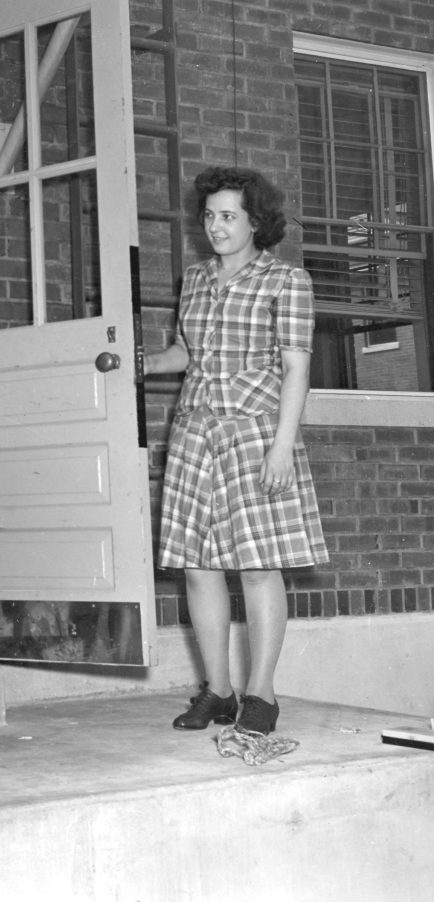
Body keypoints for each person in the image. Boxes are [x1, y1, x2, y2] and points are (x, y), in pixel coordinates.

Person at [144, 166, 328, 736]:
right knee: (198, 569)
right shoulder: (196, 279)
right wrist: (141, 364)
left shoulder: (285, 279)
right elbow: (186, 353)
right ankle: (218, 691)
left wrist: (281, 446)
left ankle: (261, 694)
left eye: (229, 216)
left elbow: (297, 368)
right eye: (209, 215)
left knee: (256, 567)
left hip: (255, 431)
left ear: (255, 221)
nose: (216, 226)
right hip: (196, 431)